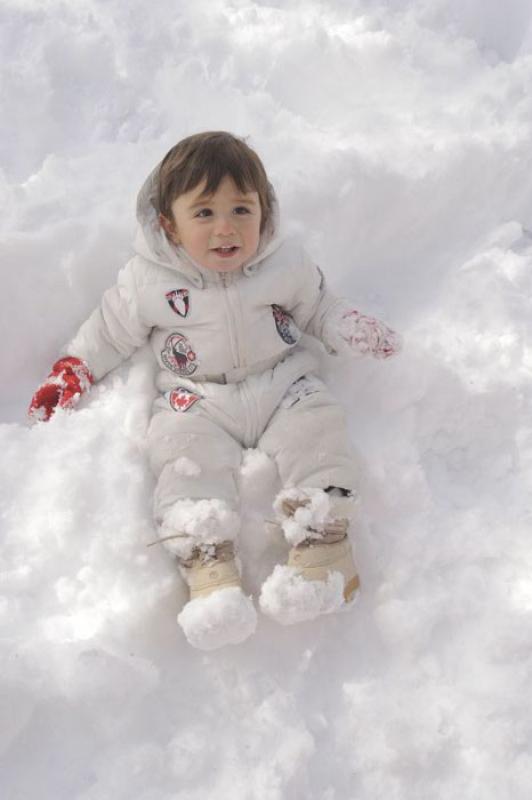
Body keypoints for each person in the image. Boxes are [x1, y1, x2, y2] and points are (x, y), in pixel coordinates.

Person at [28, 131, 401, 651]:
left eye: (241, 210)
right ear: (168, 224)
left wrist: (346, 325)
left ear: (264, 213)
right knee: (182, 452)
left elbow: (317, 306)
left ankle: (324, 552)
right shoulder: (146, 280)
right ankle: (208, 569)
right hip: (196, 398)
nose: (226, 228)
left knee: (319, 427)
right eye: (203, 213)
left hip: (283, 384)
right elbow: (110, 331)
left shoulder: (286, 263)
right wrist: (73, 369)